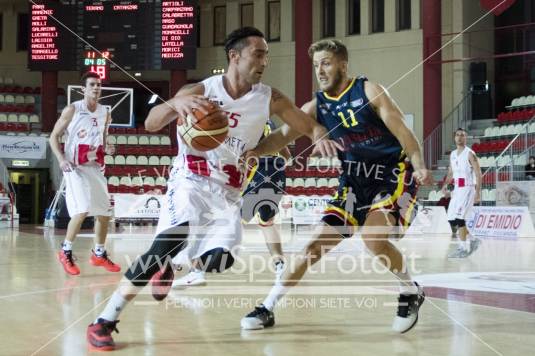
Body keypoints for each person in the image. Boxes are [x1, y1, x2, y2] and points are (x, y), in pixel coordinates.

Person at [86, 27, 340, 351]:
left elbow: (305, 124)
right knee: (166, 242)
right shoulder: (200, 90)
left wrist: (319, 132)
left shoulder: (269, 97)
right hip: (190, 178)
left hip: (228, 192)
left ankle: (174, 267)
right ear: (235, 56)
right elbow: (151, 122)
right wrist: (176, 104)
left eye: (266, 55)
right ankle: (104, 321)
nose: (264, 61)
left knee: (220, 260)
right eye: (257, 54)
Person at [240, 39, 432, 333]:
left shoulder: (369, 91)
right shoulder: (316, 106)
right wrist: (255, 152)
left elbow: (405, 133)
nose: (320, 70)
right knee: (311, 248)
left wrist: (419, 165)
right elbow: (281, 137)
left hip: (392, 174)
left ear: (343, 64)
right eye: (316, 65)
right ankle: (267, 307)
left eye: (326, 63)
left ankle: (409, 291)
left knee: (373, 238)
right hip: (353, 181)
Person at [172, 119, 291, 287]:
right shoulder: (268, 122)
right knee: (267, 222)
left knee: (220, 223)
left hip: (257, 168)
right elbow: (287, 155)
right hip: (278, 172)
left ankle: (195, 271)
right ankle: (281, 267)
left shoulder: (242, 120)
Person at [49, 72, 120, 276]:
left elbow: (104, 138)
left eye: (98, 85)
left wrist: (108, 147)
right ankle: (65, 251)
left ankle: (98, 254)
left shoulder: (105, 112)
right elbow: (53, 137)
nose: (96, 88)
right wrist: (62, 159)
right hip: (74, 166)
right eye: (92, 85)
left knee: (105, 213)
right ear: (84, 89)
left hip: (94, 165)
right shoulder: (72, 109)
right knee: (82, 210)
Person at [441, 128, 482, 258]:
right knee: (452, 219)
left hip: (467, 188)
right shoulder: (453, 154)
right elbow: (451, 173)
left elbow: (478, 173)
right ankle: (474, 239)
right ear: (454, 138)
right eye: (457, 135)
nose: (460, 137)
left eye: (462, 135)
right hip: (457, 190)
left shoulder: (470, 154)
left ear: (466, 138)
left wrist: (477, 192)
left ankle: (463, 248)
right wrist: (445, 186)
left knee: (460, 219)